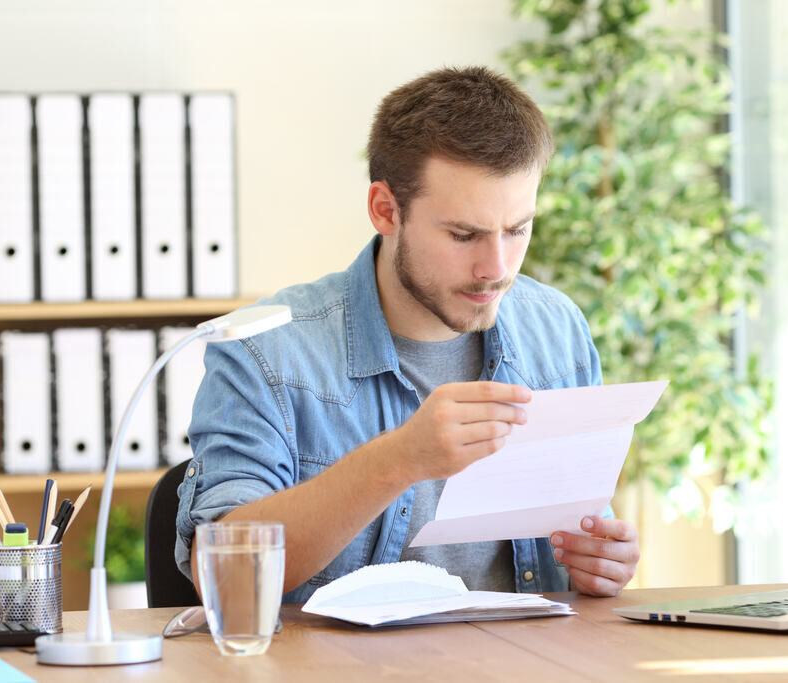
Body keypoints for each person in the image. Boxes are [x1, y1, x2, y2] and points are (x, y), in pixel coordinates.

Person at [175, 66, 640, 603]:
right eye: (464, 235)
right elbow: (227, 580)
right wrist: (397, 460)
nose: (497, 267)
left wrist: (603, 560)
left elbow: (584, 523)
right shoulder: (266, 352)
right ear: (385, 210)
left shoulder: (555, 329)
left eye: (517, 230)